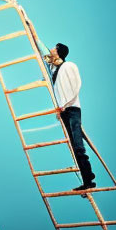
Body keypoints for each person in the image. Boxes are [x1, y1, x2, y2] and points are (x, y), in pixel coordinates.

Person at [47, 42, 96, 191]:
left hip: (72, 108)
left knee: (78, 145)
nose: (52, 49)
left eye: (55, 48)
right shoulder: (54, 70)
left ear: (60, 51)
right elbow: (42, 50)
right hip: (63, 111)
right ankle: (87, 179)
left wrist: (65, 104)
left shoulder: (69, 66)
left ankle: (89, 179)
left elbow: (76, 85)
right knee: (75, 147)